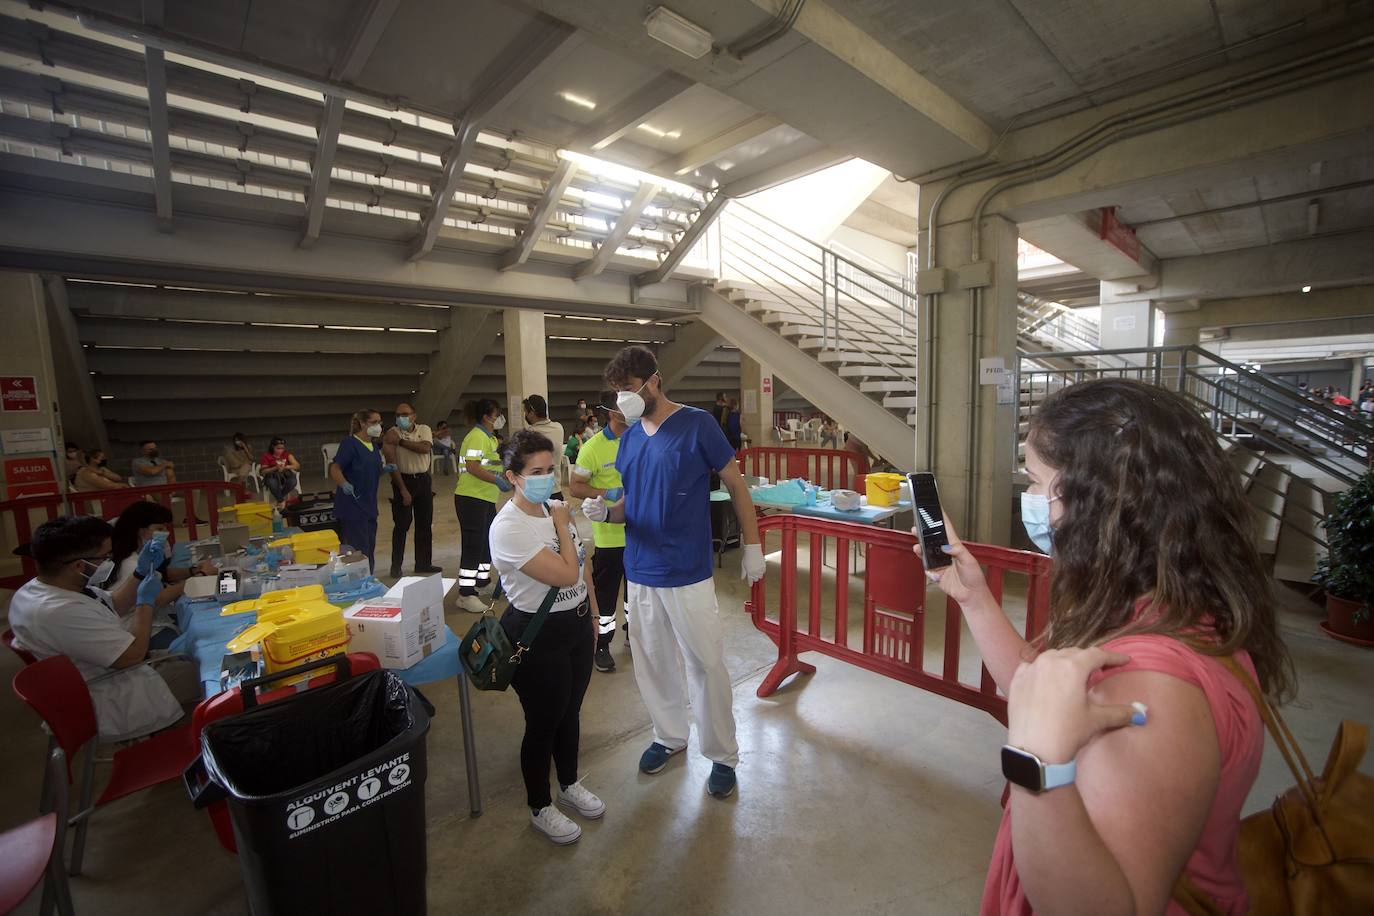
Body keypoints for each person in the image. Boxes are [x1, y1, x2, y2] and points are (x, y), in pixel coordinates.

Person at [915, 378, 1291, 915]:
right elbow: (1035, 690)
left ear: (1095, 501)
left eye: (1035, 480)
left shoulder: (1150, 686)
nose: (1031, 499)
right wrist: (974, 599)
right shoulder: (1169, 607)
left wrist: (1037, 763)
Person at [582, 346, 766, 800]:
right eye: (616, 393)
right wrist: (606, 514)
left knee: (705, 662)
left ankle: (722, 755)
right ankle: (669, 735)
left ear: (653, 381)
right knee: (653, 662)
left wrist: (754, 544)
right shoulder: (628, 440)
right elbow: (631, 504)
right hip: (640, 569)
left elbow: (736, 485)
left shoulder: (697, 425)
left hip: (686, 570)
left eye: (627, 389)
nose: (621, 399)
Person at [489, 429, 603, 845]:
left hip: (573, 625)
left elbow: (584, 565)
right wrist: (561, 523)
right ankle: (539, 805)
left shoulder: (553, 509)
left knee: (570, 712)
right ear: (513, 477)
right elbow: (566, 571)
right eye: (535, 471)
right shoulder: (509, 528)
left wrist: (591, 614)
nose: (546, 479)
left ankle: (569, 784)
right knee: (543, 722)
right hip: (536, 635)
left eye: (551, 469)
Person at [8, 516, 201, 741]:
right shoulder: (59, 611)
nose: (110, 561)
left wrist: (139, 573)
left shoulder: (42, 588)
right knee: (214, 673)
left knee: (196, 652)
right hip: (112, 692)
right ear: (79, 565)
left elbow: (116, 604)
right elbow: (133, 656)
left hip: (104, 671)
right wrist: (146, 603)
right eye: (105, 557)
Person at [569, 390, 629, 673]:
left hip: (641, 532)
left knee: (638, 594)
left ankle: (635, 634)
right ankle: (602, 644)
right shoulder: (592, 447)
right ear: (613, 412)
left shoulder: (639, 438)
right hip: (609, 535)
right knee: (606, 596)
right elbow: (576, 486)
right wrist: (607, 491)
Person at [103, 501, 215, 649]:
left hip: (150, 619)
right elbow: (159, 598)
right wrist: (200, 576)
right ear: (140, 531)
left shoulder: (133, 555)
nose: (165, 533)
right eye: (159, 528)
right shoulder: (132, 565)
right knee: (202, 640)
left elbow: (161, 574)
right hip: (141, 630)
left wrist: (191, 571)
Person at [454, 399, 508, 613]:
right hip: (471, 498)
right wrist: (496, 480)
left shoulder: (489, 438)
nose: (500, 418)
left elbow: (489, 465)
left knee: (486, 541)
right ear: (487, 417)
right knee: (473, 545)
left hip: (485, 498)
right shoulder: (476, 437)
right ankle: (465, 594)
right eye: (498, 414)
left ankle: (482, 582)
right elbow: (472, 467)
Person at [383, 402, 441, 579]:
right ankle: (396, 566)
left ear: (414, 416)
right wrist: (402, 489)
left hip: (423, 480)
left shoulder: (424, 429)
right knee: (401, 525)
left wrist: (401, 442)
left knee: (424, 524)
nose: (402, 418)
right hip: (403, 480)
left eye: (405, 414)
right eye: (398, 414)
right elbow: (391, 463)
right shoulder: (391, 433)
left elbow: (425, 448)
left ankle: (423, 563)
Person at [330, 409, 385, 572]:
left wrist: (385, 469)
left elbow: (371, 470)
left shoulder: (373, 446)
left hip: (368, 504)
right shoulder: (350, 444)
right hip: (353, 504)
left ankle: (369, 575)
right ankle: (360, 579)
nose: (378, 426)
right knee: (358, 548)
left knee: (369, 545)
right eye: (374, 422)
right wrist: (344, 484)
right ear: (363, 424)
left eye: (379, 422)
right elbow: (335, 468)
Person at [522, 395, 566, 498]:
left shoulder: (530, 434)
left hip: (537, 492)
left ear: (532, 413)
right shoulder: (559, 428)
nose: (525, 415)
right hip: (556, 490)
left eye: (525, 412)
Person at [259, 437, 300, 507]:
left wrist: (286, 467)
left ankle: (278, 500)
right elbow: (263, 471)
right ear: (272, 447)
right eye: (278, 448)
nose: (280, 451)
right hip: (272, 476)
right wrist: (275, 468)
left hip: (285, 475)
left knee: (292, 482)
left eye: (282, 448)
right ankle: (281, 501)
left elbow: (297, 465)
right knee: (272, 483)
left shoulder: (287, 455)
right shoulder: (266, 456)